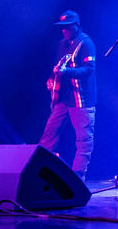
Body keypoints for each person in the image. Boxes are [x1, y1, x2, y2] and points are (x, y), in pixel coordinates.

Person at [38, 10, 97, 180]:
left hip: (81, 100)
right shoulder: (63, 44)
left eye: (68, 27)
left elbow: (88, 70)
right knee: (49, 133)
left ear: (76, 26)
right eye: (63, 27)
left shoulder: (86, 43)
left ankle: (78, 176)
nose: (65, 30)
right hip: (63, 99)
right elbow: (58, 67)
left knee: (84, 140)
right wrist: (52, 80)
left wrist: (67, 72)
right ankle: (40, 170)